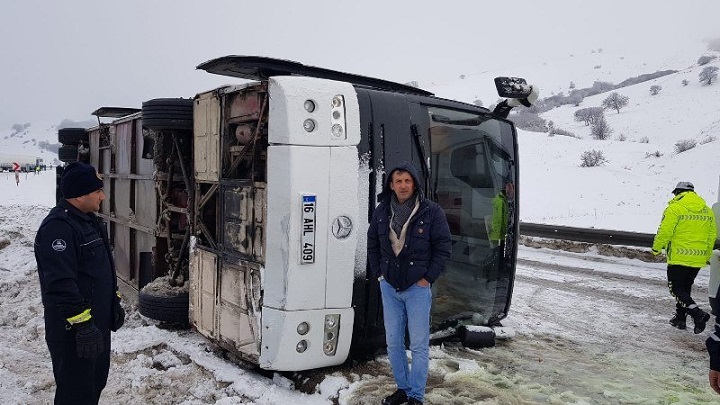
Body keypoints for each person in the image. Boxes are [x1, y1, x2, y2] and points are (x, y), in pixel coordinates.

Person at [34, 162, 125, 405]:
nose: (103, 196)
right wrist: (83, 326)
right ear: (80, 194)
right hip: (74, 334)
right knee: (75, 394)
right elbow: (60, 285)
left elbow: (98, 272)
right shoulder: (58, 229)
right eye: (98, 192)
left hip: (95, 328)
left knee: (93, 386)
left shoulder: (87, 221)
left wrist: (112, 303)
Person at [367, 161, 452, 405]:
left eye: (407, 181)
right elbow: (372, 245)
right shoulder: (381, 211)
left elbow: (443, 248)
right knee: (393, 344)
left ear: (414, 183)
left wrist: (428, 279)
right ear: (391, 186)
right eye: (398, 181)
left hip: (417, 288)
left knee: (418, 345)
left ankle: (416, 395)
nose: (403, 185)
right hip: (389, 287)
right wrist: (380, 274)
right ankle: (403, 389)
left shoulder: (431, 211)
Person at [652, 181, 716, 334]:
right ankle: (680, 318)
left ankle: (697, 314)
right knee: (684, 289)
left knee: (675, 289)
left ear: (678, 192)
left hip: (679, 257)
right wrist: (706, 255)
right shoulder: (707, 211)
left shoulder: (675, 208)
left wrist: (656, 248)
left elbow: (665, 231)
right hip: (697, 258)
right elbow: (711, 236)